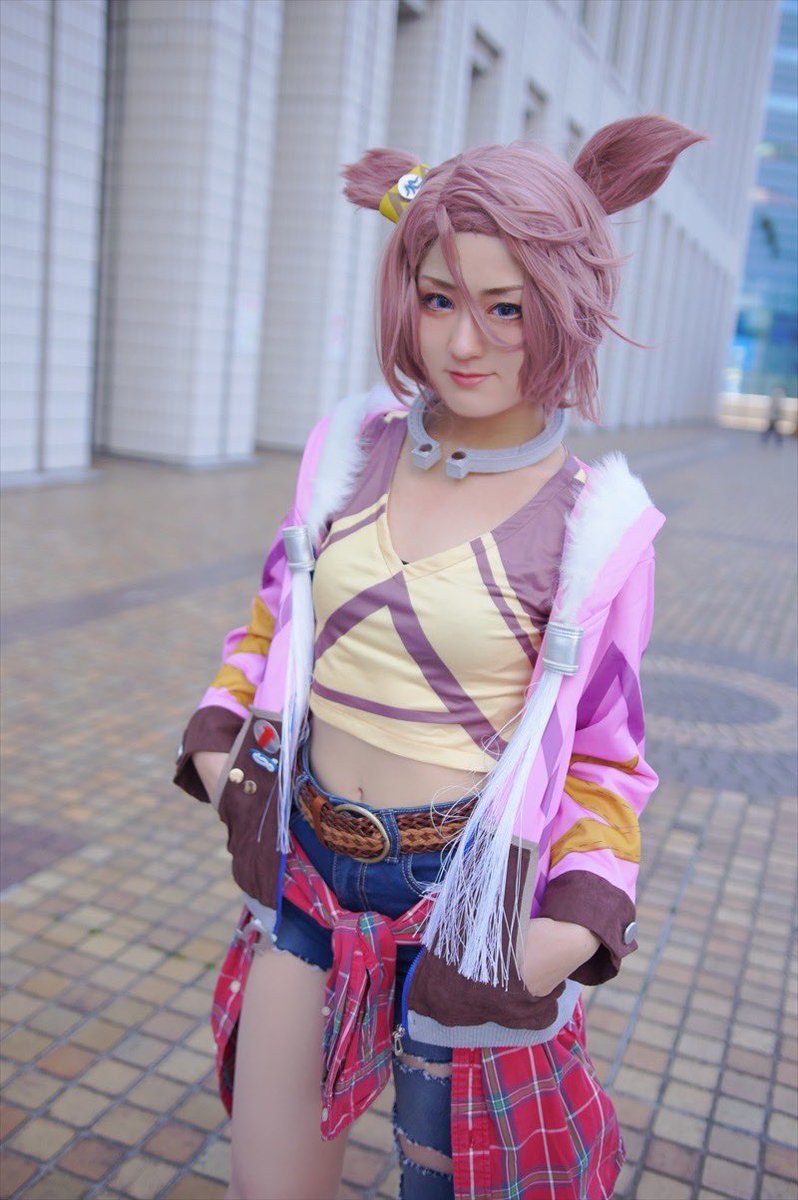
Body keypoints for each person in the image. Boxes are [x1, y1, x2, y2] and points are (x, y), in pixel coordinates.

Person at [173, 115, 706, 1200]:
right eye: (439, 299)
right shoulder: (347, 454)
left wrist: (564, 930)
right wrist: (227, 754)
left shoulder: (595, 525)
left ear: (564, 306)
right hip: (305, 868)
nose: (466, 343)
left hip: (468, 900)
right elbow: (273, 625)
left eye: (507, 308)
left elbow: (607, 754)